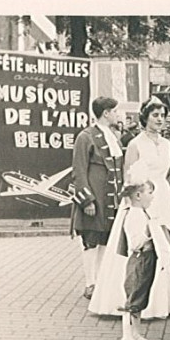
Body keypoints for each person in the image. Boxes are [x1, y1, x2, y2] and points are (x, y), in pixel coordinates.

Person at [89, 96, 170, 320]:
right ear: (145, 117)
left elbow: (168, 176)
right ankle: (134, 301)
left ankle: (166, 302)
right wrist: (137, 204)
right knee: (142, 248)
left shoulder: (167, 144)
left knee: (165, 245)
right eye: (155, 115)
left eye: (162, 116)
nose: (160, 120)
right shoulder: (135, 144)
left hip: (163, 198)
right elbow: (128, 178)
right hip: (142, 198)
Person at [71, 96, 125, 300]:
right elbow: (79, 171)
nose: (118, 115)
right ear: (106, 113)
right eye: (116, 111)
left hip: (110, 200)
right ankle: (90, 283)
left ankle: (101, 281)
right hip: (95, 199)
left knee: (105, 240)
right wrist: (87, 200)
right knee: (90, 241)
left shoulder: (113, 136)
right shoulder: (86, 137)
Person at [116, 168, 158, 340]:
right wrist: (151, 234)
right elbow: (135, 243)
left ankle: (136, 333)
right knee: (133, 299)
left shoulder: (142, 213)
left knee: (141, 296)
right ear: (139, 195)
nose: (152, 197)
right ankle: (127, 337)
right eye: (150, 193)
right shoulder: (134, 215)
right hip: (140, 260)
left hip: (147, 260)